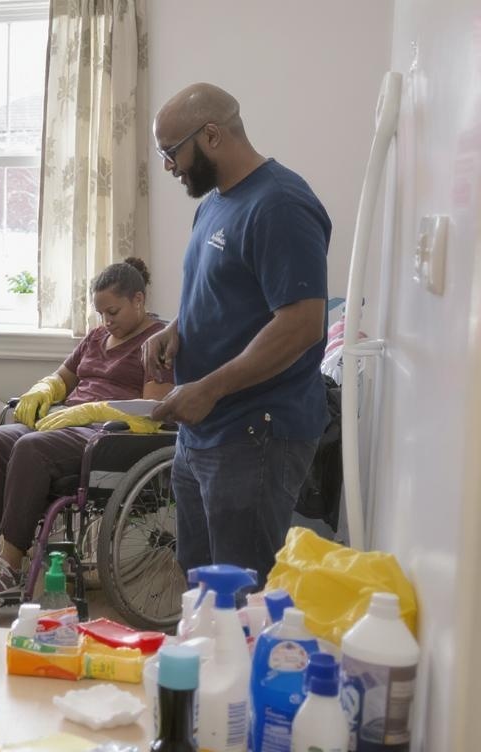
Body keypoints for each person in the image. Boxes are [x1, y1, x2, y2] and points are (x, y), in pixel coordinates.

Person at [144, 83, 329, 581]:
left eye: (171, 151)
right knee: (198, 577)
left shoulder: (281, 205)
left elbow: (302, 324)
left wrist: (210, 388)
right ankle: (200, 662)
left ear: (211, 135)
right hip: (203, 429)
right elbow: (227, 294)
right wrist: (175, 331)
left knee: (238, 589)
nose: (169, 166)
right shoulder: (214, 205)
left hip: (254, 432)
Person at [0, 260, 172, 594]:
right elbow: (63, 377)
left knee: (31, 449)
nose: (107, 321)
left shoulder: (160, 341)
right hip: (69, 424)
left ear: (139, 300)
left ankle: (10, 566)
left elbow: (154, 411)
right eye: (102, 314)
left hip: (109, 437)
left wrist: (93, 411)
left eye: (113, 312)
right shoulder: (97, 337)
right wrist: (44, 389)